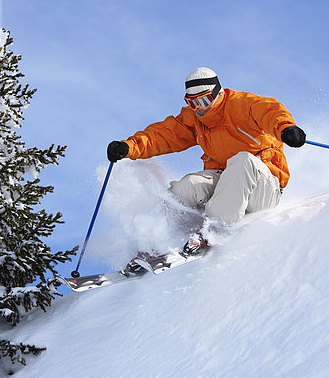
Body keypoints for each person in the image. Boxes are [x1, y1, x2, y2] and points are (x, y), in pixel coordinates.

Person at [107, 67, 305, 253]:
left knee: (243, 160)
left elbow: (270, 110)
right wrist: (128, 147)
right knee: (186, 187)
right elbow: (162, 135)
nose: (199, 109)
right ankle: (156, 243)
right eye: (192, 103)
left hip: (263, 187)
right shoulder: (194, 118)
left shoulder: (241, 104)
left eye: (203, 101)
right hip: (225, 183)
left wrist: (286, 128)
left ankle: (216, 231)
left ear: (217, 94)